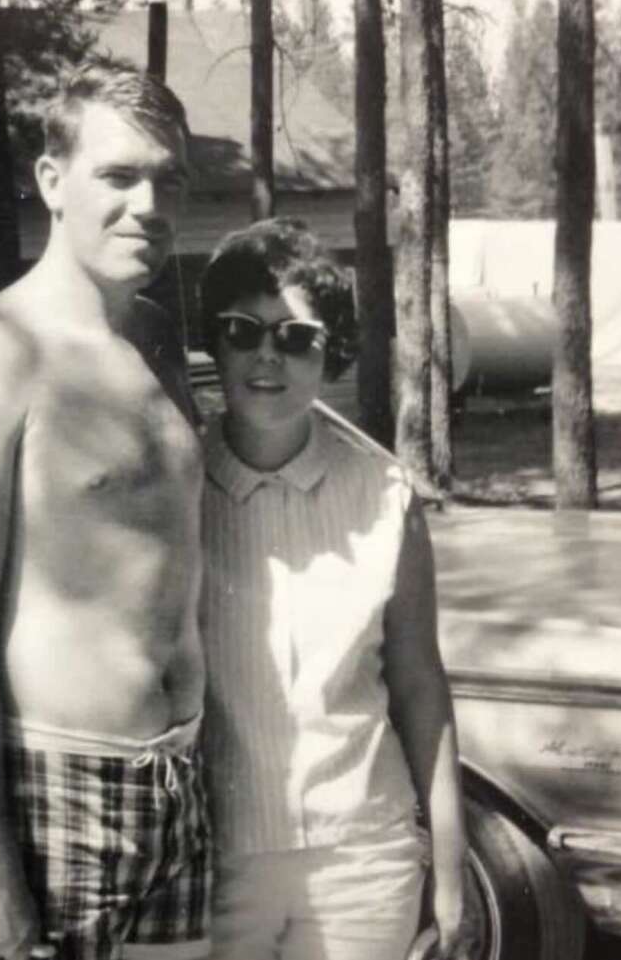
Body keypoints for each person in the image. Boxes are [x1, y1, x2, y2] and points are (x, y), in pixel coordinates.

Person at [0, 62, 210, 960]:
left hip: (178, 779)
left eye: (168, 181)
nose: (148, 205)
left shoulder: (157, 341)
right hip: (53, 788)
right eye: (119, 176)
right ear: (51, 181)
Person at [196, 218, 468, 960]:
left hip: (364, 859)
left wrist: (450, 870)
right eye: (242, 330)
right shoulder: (172, 485)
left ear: (331, 352)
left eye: (296, 338)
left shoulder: (385, 493)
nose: (267, 356)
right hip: (212, 859)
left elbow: (420, 684)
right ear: (214, 341)